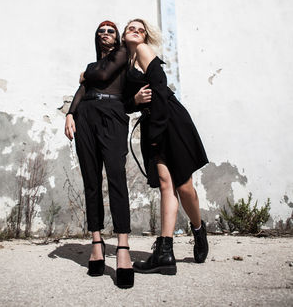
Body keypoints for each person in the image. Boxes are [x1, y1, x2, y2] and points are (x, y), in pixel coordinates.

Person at [123, 18, 209, 275]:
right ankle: (165, 251)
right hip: (153, 123)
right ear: (124, 34)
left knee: (184, 186)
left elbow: (160, 86)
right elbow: (125, 104)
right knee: (165, 184)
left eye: (141, 30)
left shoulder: (143, 51)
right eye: (131, 29)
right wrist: (135, 100)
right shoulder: (125, 63)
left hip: (169, 120)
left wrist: (157, 129)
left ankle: (198, 229)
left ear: (145, 37)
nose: (136, 32)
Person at [64, 20, 134, 288]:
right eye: (101, 31)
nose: (105, 34)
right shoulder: (95, 65)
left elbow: (102, 77)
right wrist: (71, 113)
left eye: (110, 31)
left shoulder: (121, 54)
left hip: (112, 115)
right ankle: (96, 241)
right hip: (86, 116)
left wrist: (85, 73)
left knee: (117, 178)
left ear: (116, 37)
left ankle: (123, 248)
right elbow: (83, 88)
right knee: (91, 181)